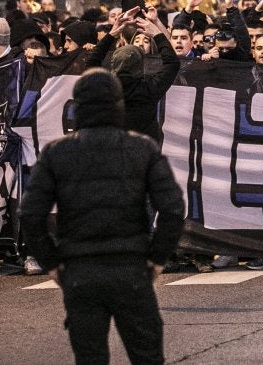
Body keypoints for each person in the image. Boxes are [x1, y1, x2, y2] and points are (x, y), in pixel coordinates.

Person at [21, 68, 185, 365]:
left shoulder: (57, 153)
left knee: (90, 357)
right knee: (146, 355)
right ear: (117, 104)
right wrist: (157, 258)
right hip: (130, 265)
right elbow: (173, 209)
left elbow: (31, 214)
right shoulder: (141, 148)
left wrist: (52, 263)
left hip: (79, 268)